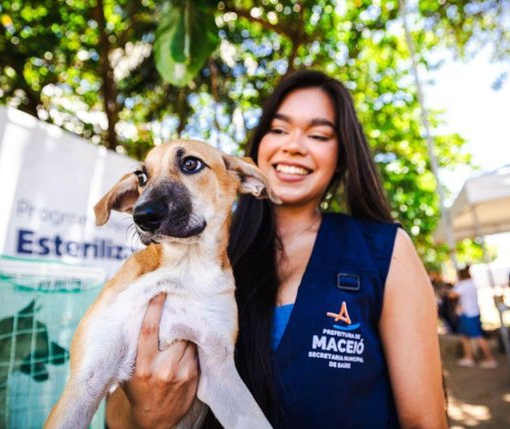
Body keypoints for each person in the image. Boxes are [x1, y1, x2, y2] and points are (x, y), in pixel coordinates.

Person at [104, 70, 446, 428]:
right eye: (279, 130)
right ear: (256, 151)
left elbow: (425, 421)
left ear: (341, 155)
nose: (293, 145)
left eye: (318, 134)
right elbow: (115, 410)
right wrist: (146, 411)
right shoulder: (192, 249)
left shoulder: (384, 250)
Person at [447, 266, 498, 368]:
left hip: (469, 314)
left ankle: (490, 359)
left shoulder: (464, 285)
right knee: (465, 336)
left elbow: (451, 295)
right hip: (472, 313)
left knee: (478, 336)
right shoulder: (471, 284)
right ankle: (468, 357)